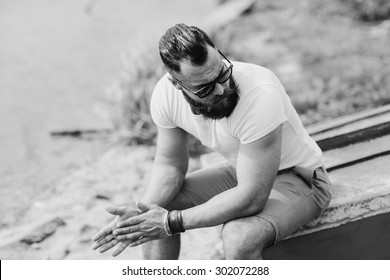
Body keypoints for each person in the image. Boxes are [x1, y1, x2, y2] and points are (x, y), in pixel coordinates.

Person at [91, 23, 332, 259]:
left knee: (239, 237)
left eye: (223, 73)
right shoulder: (164, 96)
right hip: (244, 170)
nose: (221, 89)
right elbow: (169, 165)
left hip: (301, 177)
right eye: (204, 88)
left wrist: (170, 222)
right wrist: (140, 213)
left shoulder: (260, 93)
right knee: (154, 211)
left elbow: (252, 198)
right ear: (176, 84)